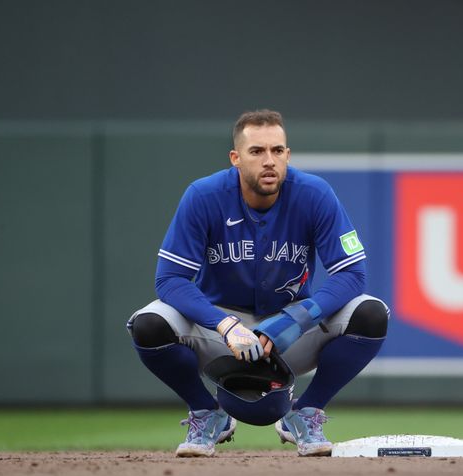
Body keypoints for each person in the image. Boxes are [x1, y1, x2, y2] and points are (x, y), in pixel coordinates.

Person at [127, 109, 389, 457]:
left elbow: (352, 275)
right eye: (257, 152)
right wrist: (223, 324)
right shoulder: (204, 196)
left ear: (288, 155)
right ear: (235, 158)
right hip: (220, 333)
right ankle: (206, 414)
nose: (270, 161)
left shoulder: (315, 194)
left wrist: (298, 318)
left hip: (290, 333)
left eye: (277, 151)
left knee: (371, 314)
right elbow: (170, 280)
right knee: (148, 324)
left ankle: (305, 413)